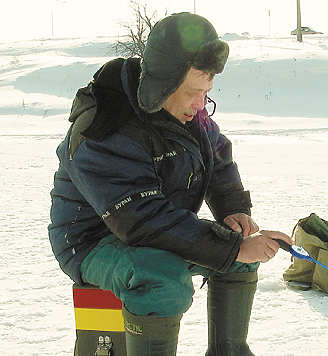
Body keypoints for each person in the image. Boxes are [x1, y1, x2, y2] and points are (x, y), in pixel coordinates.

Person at [48, 12, 293, 356]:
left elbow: (216, 156)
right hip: (93, 239)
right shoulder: (104, 127)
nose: (200, 105)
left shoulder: (187, 113)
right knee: (162, 278)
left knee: (240, 254)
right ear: (162, 84)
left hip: (156, 225)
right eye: (193, 92)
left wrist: (233, 210)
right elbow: (139, 218)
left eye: (206, 93)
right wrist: (230, 247)